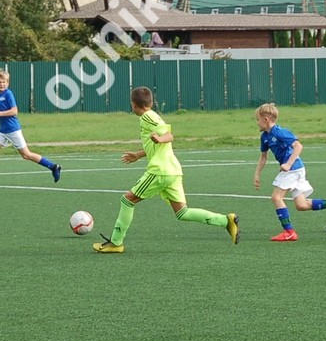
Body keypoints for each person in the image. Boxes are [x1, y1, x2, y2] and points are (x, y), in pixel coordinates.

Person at [93, 86, 239, 253]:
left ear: (133, 104)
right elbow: (157, 144)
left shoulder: (147, 117)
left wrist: (160, 138)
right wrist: (139, 154)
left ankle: (116, 243)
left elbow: (169, 136)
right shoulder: (153, 115)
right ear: (152, 101)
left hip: (159, 172)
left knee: (127, 200)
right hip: (173, 170)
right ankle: (226, 221)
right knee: (182, 212)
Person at [252, 102, 326, 241]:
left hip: (293, 169)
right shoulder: (265, 136)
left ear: (266, 119)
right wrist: (257, 173)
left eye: (257, 119)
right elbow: (263, 157)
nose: (256, 123)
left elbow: (298, 146)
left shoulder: (280, 132)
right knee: (301, 205)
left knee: (276, 197)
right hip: (295, 169)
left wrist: (288, 163)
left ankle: (289, 232)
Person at [0, 68, 61, 191]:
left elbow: (14, 111)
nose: (2, 84)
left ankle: (53, 167)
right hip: (2, 131)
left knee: (26, 155)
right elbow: (0, 108)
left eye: (4, 82)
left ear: (8, 83)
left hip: (13, 129)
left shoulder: (8, 94)